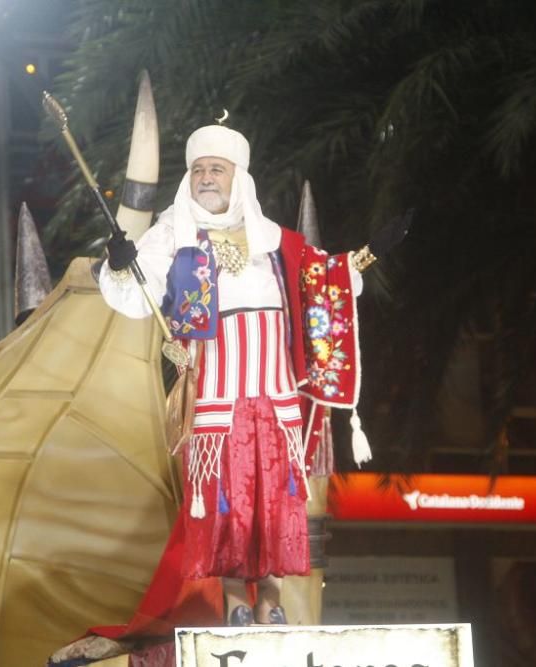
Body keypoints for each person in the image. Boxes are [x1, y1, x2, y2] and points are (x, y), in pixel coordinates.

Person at [99, 124, 372, 626]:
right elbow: (132, 295)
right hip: (216, 395)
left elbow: (323, 281)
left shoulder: (275, 242)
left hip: (275, 396)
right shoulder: (170, 236)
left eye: (216, 169)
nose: (206, 177)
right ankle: (235, 604)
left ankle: (271, 603)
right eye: (198, 169)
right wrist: (119, 266)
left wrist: (364, 260)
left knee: (273, 506)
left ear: (237, 178)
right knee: (226, 507)